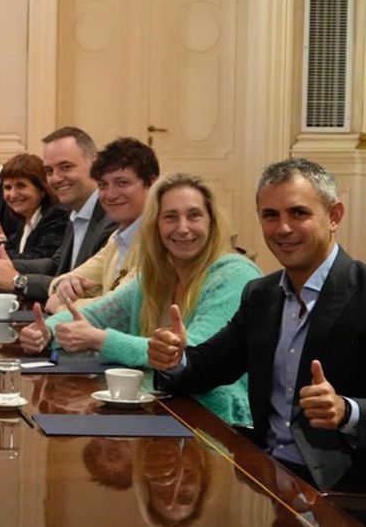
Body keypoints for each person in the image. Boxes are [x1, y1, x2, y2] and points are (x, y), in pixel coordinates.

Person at [150, 159, 366, 491]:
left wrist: (346, 411)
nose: (283, 228)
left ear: (334, 215)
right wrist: (174, 359)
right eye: (270, 215)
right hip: (262, 474)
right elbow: (209, 366)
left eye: (298, 213)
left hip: (342, 489)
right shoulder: (260, 295)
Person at [20, 173, 259, 426]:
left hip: (219, 421)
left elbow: (195, 355)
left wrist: (101, 340)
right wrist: (45, 330)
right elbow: (94, 315)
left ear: (212, 222)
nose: (183, 227)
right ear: (155, 226)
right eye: (170, 217)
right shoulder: (155, 276)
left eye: (194, 215)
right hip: (157, 409)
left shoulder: (235, 276)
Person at [0, 127, 117, 300]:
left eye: (66, 167)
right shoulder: (76, 213)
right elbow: (55, 264)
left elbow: (87, 289)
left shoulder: (112, 219)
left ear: (95, 164)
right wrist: (4, 263)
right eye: (49, 171)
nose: (56, 178)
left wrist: (19, 280)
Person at [44, 137, 159, 312]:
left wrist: (61, 306)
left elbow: (120, 308)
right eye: (103, 185)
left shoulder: (159, 239)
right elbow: (63, 281)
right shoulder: (118, 237)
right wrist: (65, 285)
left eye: (122, 183)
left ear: (152, 184)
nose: (110, 195)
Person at [0, 153, 67, 260]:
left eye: (21, 186)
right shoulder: (24, 222)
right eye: (7, 187)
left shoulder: (58, 217)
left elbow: (38, 259)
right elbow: (11, 251)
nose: (12, 194)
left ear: (42, 189)